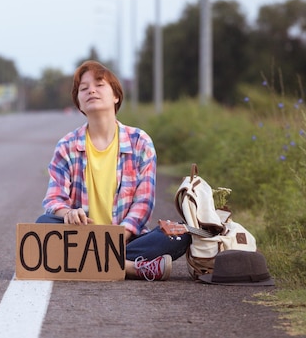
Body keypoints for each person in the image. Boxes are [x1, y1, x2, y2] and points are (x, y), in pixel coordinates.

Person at [36, 61, 191, 281]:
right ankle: (132, 268)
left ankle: (83, 263)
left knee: (178, 235)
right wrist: (68, 213)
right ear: (79, 102)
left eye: (99, 84)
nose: (91, 90)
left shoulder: (140, 142)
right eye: (83, 88)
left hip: (126, 239)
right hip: (80, 238)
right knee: (43, 224)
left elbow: (144, 203)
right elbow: (53, 200)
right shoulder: (66, 146)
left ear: (116, 95)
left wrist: (119, 237)